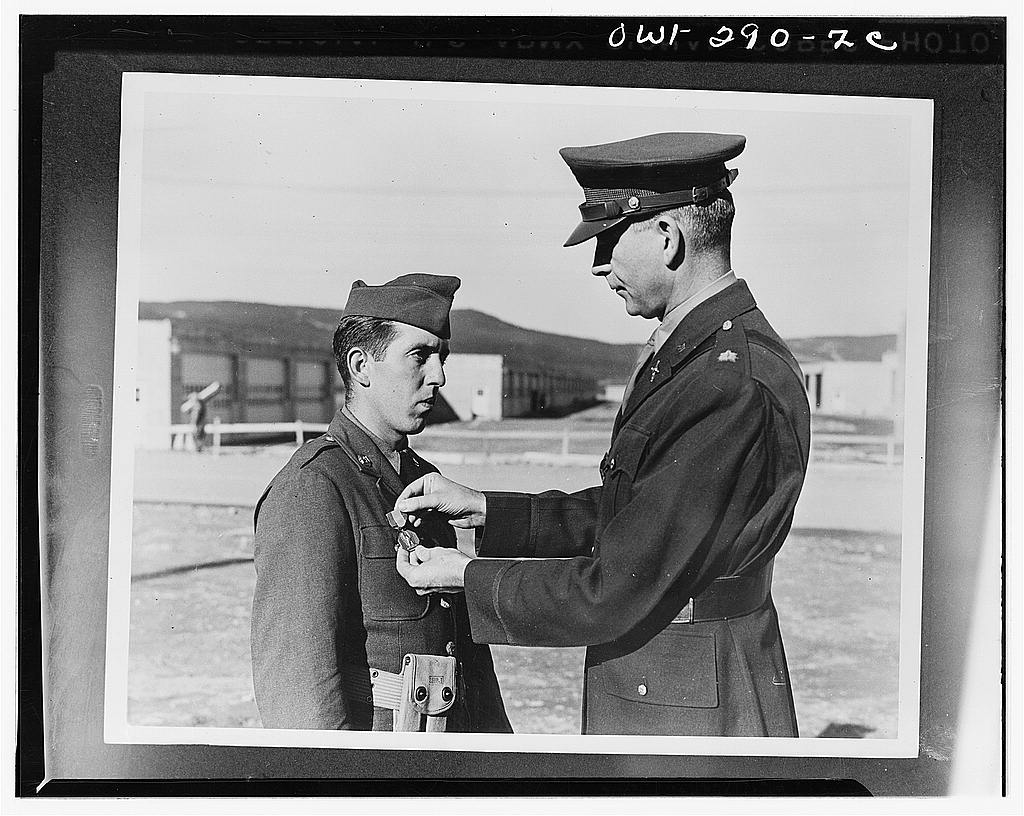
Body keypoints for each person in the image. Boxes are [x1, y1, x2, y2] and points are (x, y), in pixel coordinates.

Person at [395, 132, 811, 737]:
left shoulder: (723, 382)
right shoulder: (699, 357)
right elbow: (635, 514)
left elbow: (618, 585)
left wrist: (466, 576)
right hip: (678, 676)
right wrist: (486, 508)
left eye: (609, 238)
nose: (597, 264)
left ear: (667, 237)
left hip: (688, 700)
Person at [251, 274, 511, 732]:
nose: (439, 376)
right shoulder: (314, 487)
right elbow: (299, 688)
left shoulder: (423, 481)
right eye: (420, 356)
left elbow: (467, 656)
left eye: (442, 357)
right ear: (361, 366)